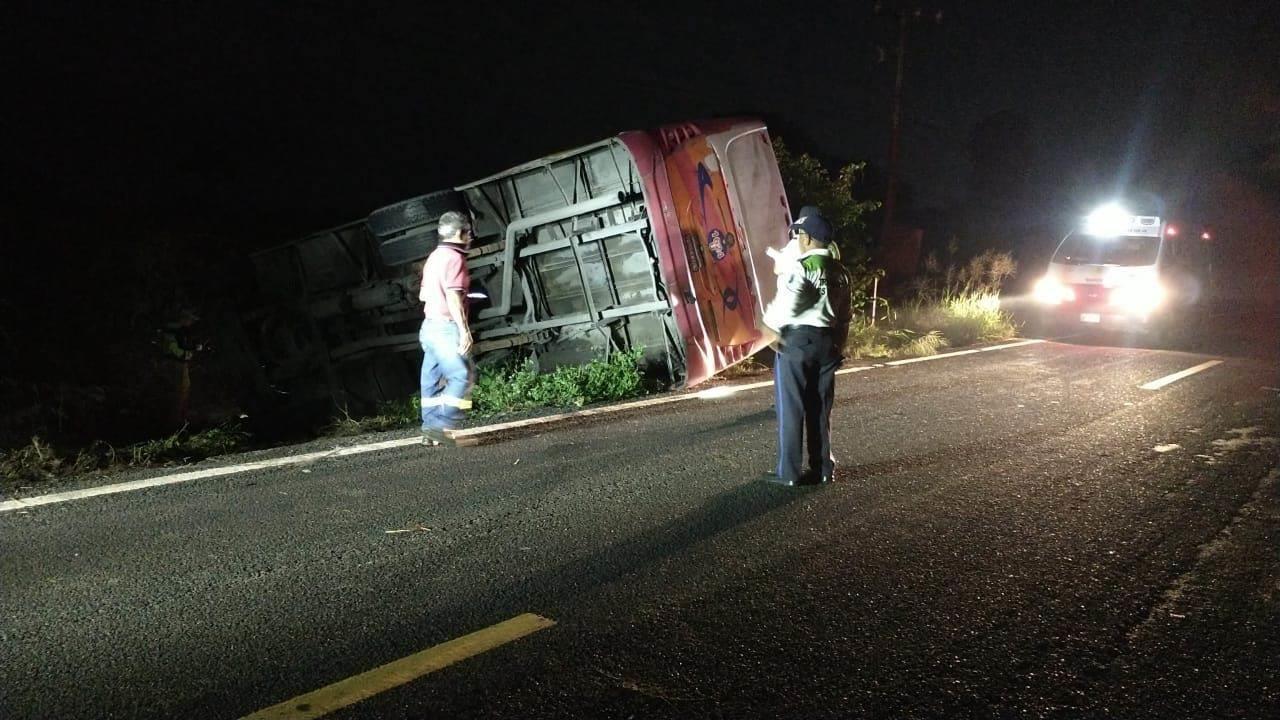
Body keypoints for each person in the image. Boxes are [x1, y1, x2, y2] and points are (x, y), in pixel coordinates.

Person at [760, 206, 852, 486]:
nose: (797, 239)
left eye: (800, 234)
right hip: (828, 342)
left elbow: (790, 300)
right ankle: (823, 468)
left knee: (792, 408)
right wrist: (840, 345)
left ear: (809, 238)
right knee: (820, 409)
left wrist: (770, 326)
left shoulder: (803, 266)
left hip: (798, 341)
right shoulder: (841, 272)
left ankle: (789, 473)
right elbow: (846, 313)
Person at [418, 210, 476, 446]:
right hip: (444, 328)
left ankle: (429, 430)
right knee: (463, 376)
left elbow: (422, 294)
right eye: (469, 233)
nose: (471, 238)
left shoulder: (434, 257)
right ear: (461, 233)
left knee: (430, 381)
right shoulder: (454, 258)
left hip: (429, 327)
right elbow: (453, 297)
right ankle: (441, 425)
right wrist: (464, 330)